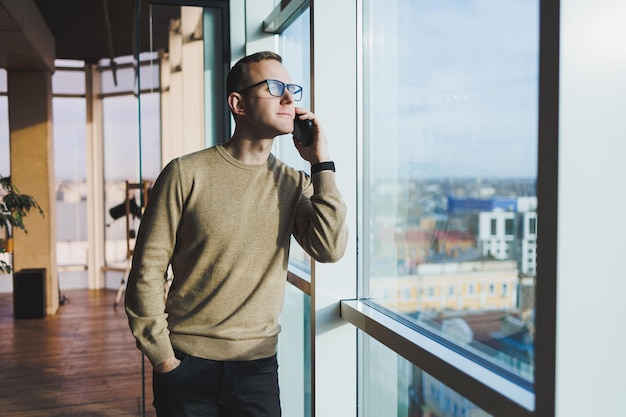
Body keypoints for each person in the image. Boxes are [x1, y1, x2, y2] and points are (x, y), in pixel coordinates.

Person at [124, 50, 348, 417]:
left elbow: (329, 248)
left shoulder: (295, 183)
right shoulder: (185, 174)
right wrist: (163, 358)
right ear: (237, 103)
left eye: (292, 89)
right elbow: (147, 272)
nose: (289, 98)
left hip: (256, 369)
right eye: (275, 87)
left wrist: (321, 164)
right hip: (186, 362)